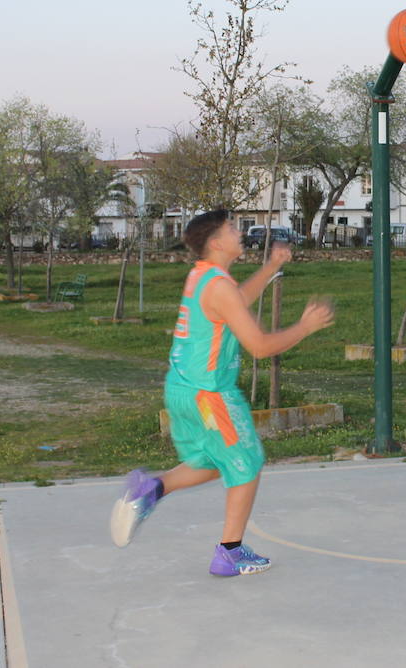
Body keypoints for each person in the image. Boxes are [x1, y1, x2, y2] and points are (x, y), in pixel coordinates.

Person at [109, 209, 335, 576]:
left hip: (183, 389)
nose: (239, 233)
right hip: (211, 396)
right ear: (216, 242)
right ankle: (229, 552)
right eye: (233, 229)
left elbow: (236, 300)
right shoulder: (219, 286)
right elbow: (260, 346)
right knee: (246, 464)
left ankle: (152, 488)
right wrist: (306, 326)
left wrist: (271, 265)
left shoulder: (203, 277)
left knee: (214, 462)